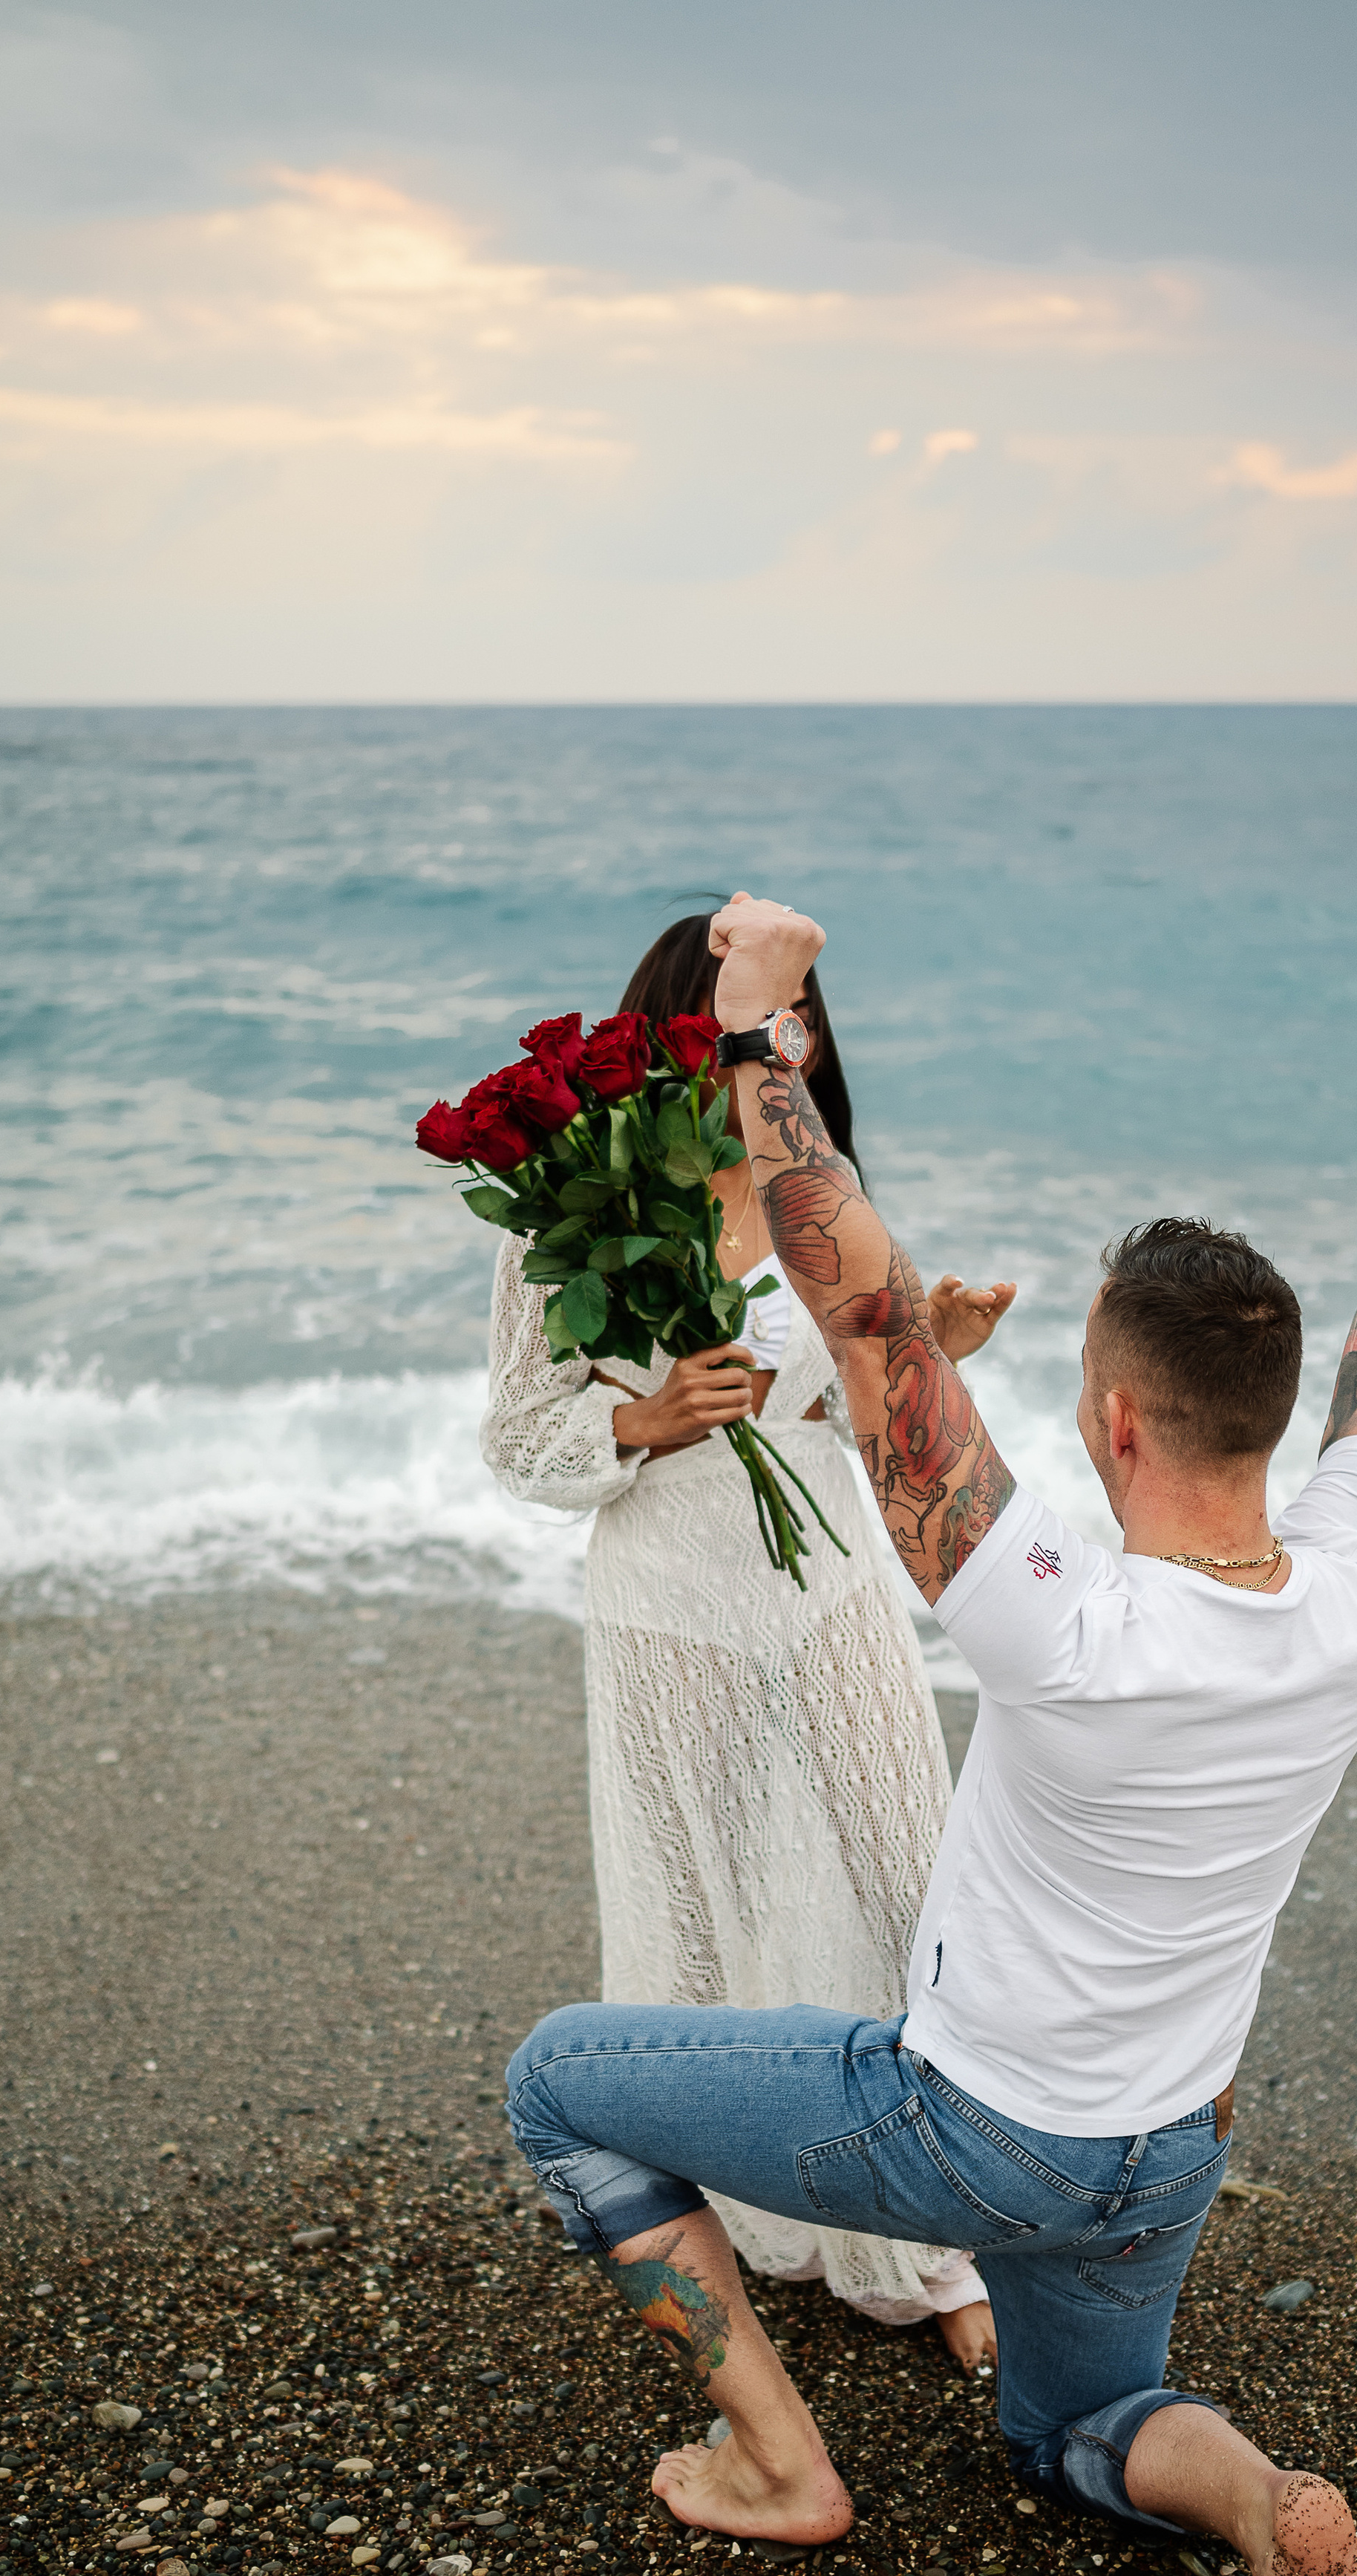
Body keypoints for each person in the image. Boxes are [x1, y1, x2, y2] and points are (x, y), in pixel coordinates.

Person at [505, 880, 1357, 2576]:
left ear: (1114, 1425)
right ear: (1286, 1416)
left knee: (555, 2083)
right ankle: (1255, 2501)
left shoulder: (1059, 1619)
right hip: (1167, 2150)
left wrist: (749, 1018)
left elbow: (848, 1291)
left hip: (969, 2134)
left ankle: (776, 2461)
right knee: (1075, 2434)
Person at [480, 909, 1015, 2365]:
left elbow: (846, 1403)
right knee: (700, 1900)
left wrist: (926, 1356)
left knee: (894, 1864)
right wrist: (640, 1421)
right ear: (681, 1030)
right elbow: (516, 1435)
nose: (790, 1045)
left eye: (801, 1021)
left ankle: (943, 2244)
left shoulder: (809, 1191)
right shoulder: (573, 1211)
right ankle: (751, 2206)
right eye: (761, 1018)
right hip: (667, 1599)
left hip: (825, 1578)